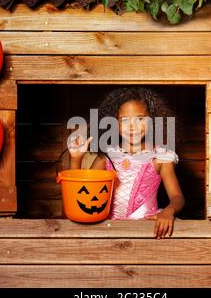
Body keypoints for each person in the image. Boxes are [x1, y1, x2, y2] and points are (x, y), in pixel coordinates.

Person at [69, 87, 185, 239]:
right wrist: (76, 159)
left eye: (140, 119)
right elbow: (81, 192)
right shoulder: (107, 157)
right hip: (109, 229)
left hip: (146, 228)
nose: (132, 126)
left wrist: (169, 211)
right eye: (124, 120)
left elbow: (177, 197)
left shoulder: (160, 157)